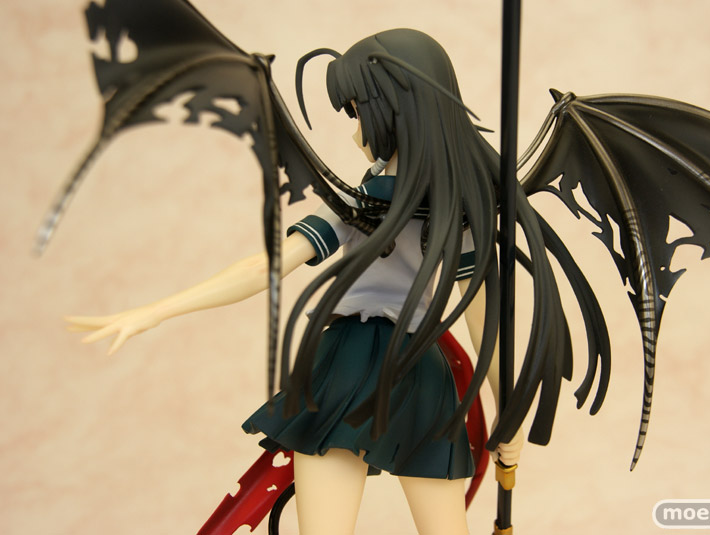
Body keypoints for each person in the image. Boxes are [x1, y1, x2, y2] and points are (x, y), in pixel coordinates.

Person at [67, 29, 525, 535]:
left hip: (348, 367)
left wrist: (155, 310)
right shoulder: (453, 215)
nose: (355, 134)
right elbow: (488, 332)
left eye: (358, 113)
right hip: (418, 371)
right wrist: (510, 418)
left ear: (390, 111)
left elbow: (262, 268)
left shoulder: (361, 207)